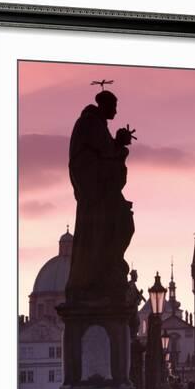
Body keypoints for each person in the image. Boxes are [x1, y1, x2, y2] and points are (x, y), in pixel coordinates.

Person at [66, 90, 136, 305]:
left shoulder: (97, 126)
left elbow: (107, 155)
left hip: (102, 194)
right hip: (95, 197)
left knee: (123, 226)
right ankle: (101, 275)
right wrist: (119, 145)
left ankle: (109, 269)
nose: (116, 110)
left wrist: (118, 145)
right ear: (104, 105)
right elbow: (101, 158)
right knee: (116, 228)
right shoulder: (90, 124)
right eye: (114, 105)